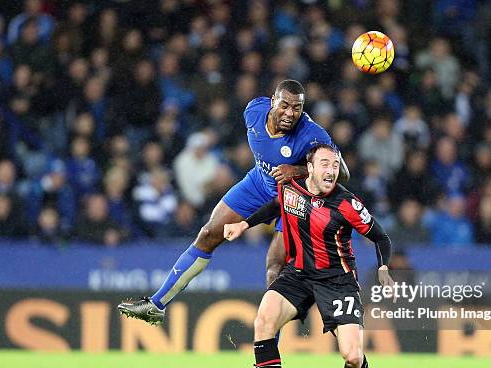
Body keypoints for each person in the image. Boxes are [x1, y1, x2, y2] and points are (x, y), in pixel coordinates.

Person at [118, 79, 348, 324]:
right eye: (285, 105)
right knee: (208, 234)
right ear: (273, 102)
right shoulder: (253, 111)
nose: (290, 113)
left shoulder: (312, 135)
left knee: (274, 269)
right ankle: (157, 304)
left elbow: (342, 173)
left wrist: (300, 170)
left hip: (294, 199)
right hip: (259, 183)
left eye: (297, 108)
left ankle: (266, 358)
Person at [223, 144, 395, 368]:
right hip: (298, 274)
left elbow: (381, 237)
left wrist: (384, 267)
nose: (331, 170)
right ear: (311, 168)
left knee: (352, 355)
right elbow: (276, 206)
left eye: (335, 165)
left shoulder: (347, 204)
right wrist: (244, 224)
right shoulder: (291, 188)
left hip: (337, 281)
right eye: (324, 164)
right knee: (264, 320)